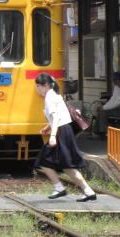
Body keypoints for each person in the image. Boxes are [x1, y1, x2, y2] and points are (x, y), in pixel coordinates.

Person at [34, 73, 97, 201]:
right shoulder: (55, 95)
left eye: (38, 86)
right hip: (64, 130)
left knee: (43, 161)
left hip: (60, 132)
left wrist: (52, 135)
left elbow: (56, 117)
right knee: (67, 166)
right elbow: (60, 115)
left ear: (45, 86)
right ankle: (88, 191)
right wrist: (48, 126)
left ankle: (59, 188)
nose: (37, 89)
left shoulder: (49, 97)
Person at [94, 71, 120, 137]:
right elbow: (112, 100)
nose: (114, 82)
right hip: (117, 109)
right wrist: (103, 107)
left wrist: (104, 108)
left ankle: (104, 133)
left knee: (103, 112)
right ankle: (97, 132)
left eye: (116, 80)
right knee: (100, 111)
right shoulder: (116, 87)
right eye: (113, 80)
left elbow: (118, 102)